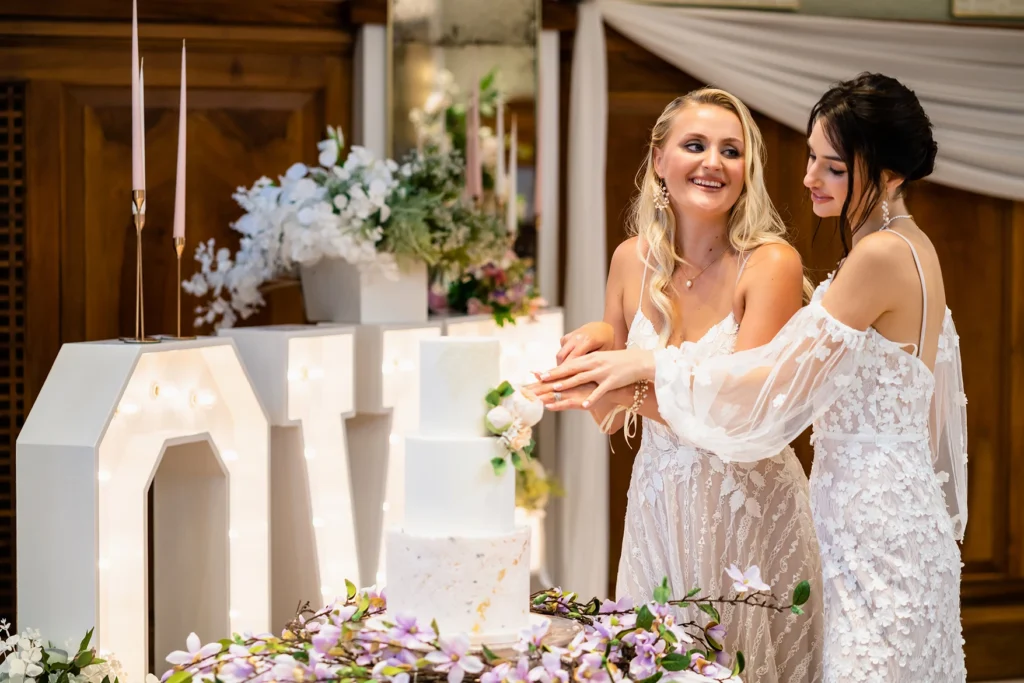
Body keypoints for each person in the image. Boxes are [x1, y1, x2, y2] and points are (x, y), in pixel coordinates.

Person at [532, 73, 968, 682]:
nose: (810, 177)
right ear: (657, 160)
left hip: (869, 522)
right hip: (870, 506)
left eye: (833, 166)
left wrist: (645, 368)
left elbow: (766, 391)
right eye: (813, 159)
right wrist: (609, 349)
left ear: (888, 172)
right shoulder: (897, 245)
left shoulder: (877, 256)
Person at [550, 87, 823, 683]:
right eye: (695, 145)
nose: (713, 162)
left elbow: (741, 415)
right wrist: (598, 343)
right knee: (655, 661)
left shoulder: (770, 263)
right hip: (659, 501)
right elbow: (610, 412)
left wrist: (631, 378)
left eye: (732, 150)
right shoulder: (631, 260)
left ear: (747, 169)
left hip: (746, 505)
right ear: (658, 161)